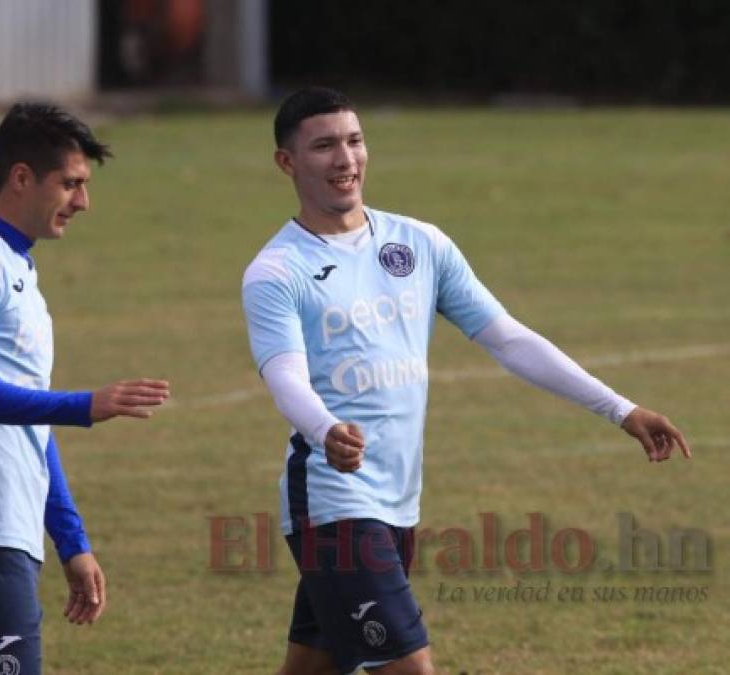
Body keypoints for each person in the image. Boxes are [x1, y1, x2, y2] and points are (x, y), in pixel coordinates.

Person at [241, 87, 690, 675]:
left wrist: (621, 409)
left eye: (353, 140)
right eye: (323, 146)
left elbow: (509, 338)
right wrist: (325, 430)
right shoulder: (276, 271)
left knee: (313, 668)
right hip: (333, 500)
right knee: (409, 668)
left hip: (399, 501)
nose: (345, 159)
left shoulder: (419, 244)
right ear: (287, 162)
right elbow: (285, 378)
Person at [0, 102, 170, 675]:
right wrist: (86, 406)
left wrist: (71, 541)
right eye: (70, 184)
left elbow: (29, 424)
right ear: (22, 177)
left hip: (5, 530)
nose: (83, 202)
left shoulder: (14, 264)